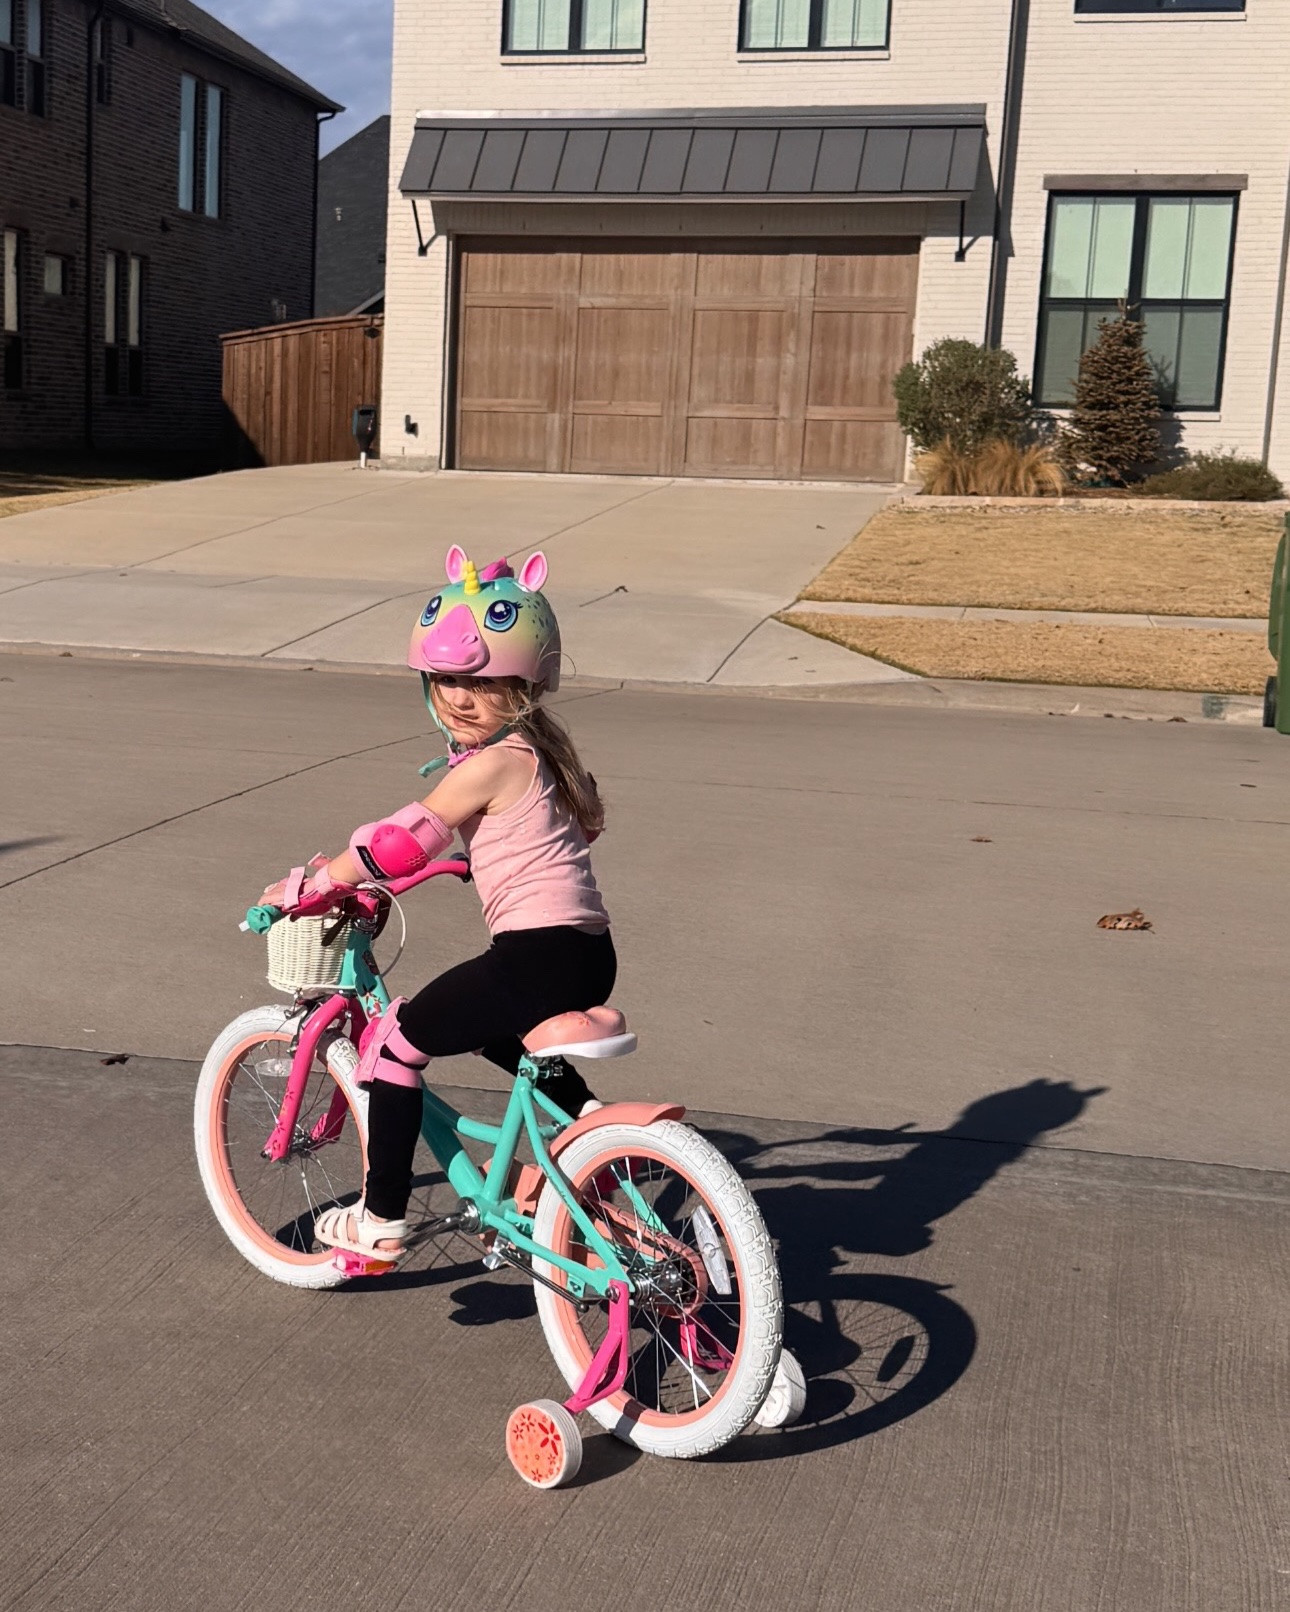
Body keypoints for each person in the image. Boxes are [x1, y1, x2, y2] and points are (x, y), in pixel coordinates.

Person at [261, 545, 614, 1263]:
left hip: (534, 954)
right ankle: (593, 1122)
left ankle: (381, 1220)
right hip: (588, 954)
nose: (459, 696)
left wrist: (319, 880)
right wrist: (475, 858)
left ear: (523, 687)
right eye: (447, 679)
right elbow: (558, 835)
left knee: (393, 1045)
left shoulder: (488, 764)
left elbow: (400, 841)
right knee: (491, 1029)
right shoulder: (546, 757)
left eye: (482, 684)